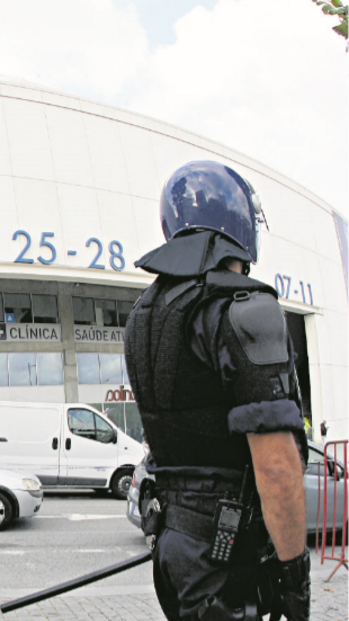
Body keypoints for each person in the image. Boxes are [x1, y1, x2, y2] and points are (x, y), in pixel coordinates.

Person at [124, 161, 309, 621]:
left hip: (175, 550)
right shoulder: (245, 308)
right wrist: (296, 578)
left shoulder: (142, 317)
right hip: (226, 557)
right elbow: (277, 467)